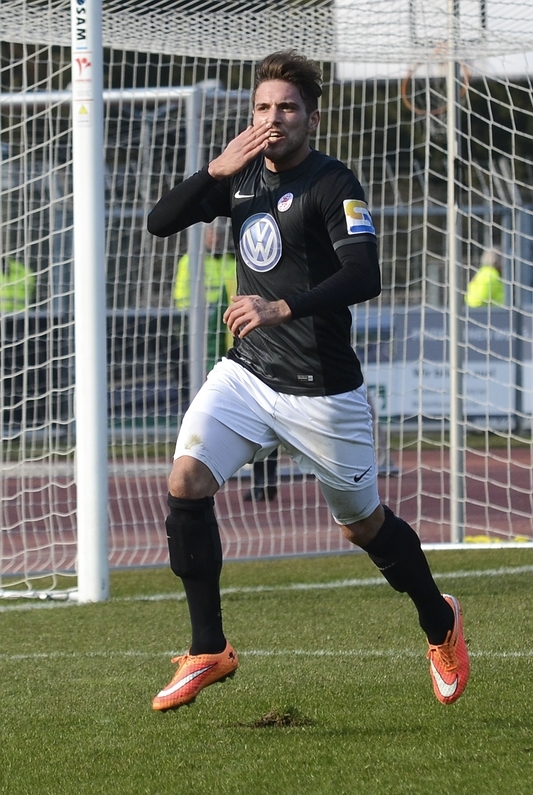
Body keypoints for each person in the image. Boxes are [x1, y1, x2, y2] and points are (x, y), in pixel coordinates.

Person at [147, 50, 469, 712]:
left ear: (311, 119)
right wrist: (214, 168)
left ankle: (440, 622)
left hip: (322, 390)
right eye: (263, 107)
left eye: (287, 108)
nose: (274, 118)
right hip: (247, 373)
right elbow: (160, 221)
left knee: (362, 526)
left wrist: (280, 307)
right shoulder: (238, 178)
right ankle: (208, 647)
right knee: (186, 481)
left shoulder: (332, 182)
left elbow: (364, 274)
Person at [174, 222, 236, 372]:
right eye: (211, 234)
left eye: (219, 234)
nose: (216, 239)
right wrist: (189, 313)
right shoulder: (190, 260)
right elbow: (181, 292)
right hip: (201, 318)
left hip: (227, 317)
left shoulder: (232, 260)